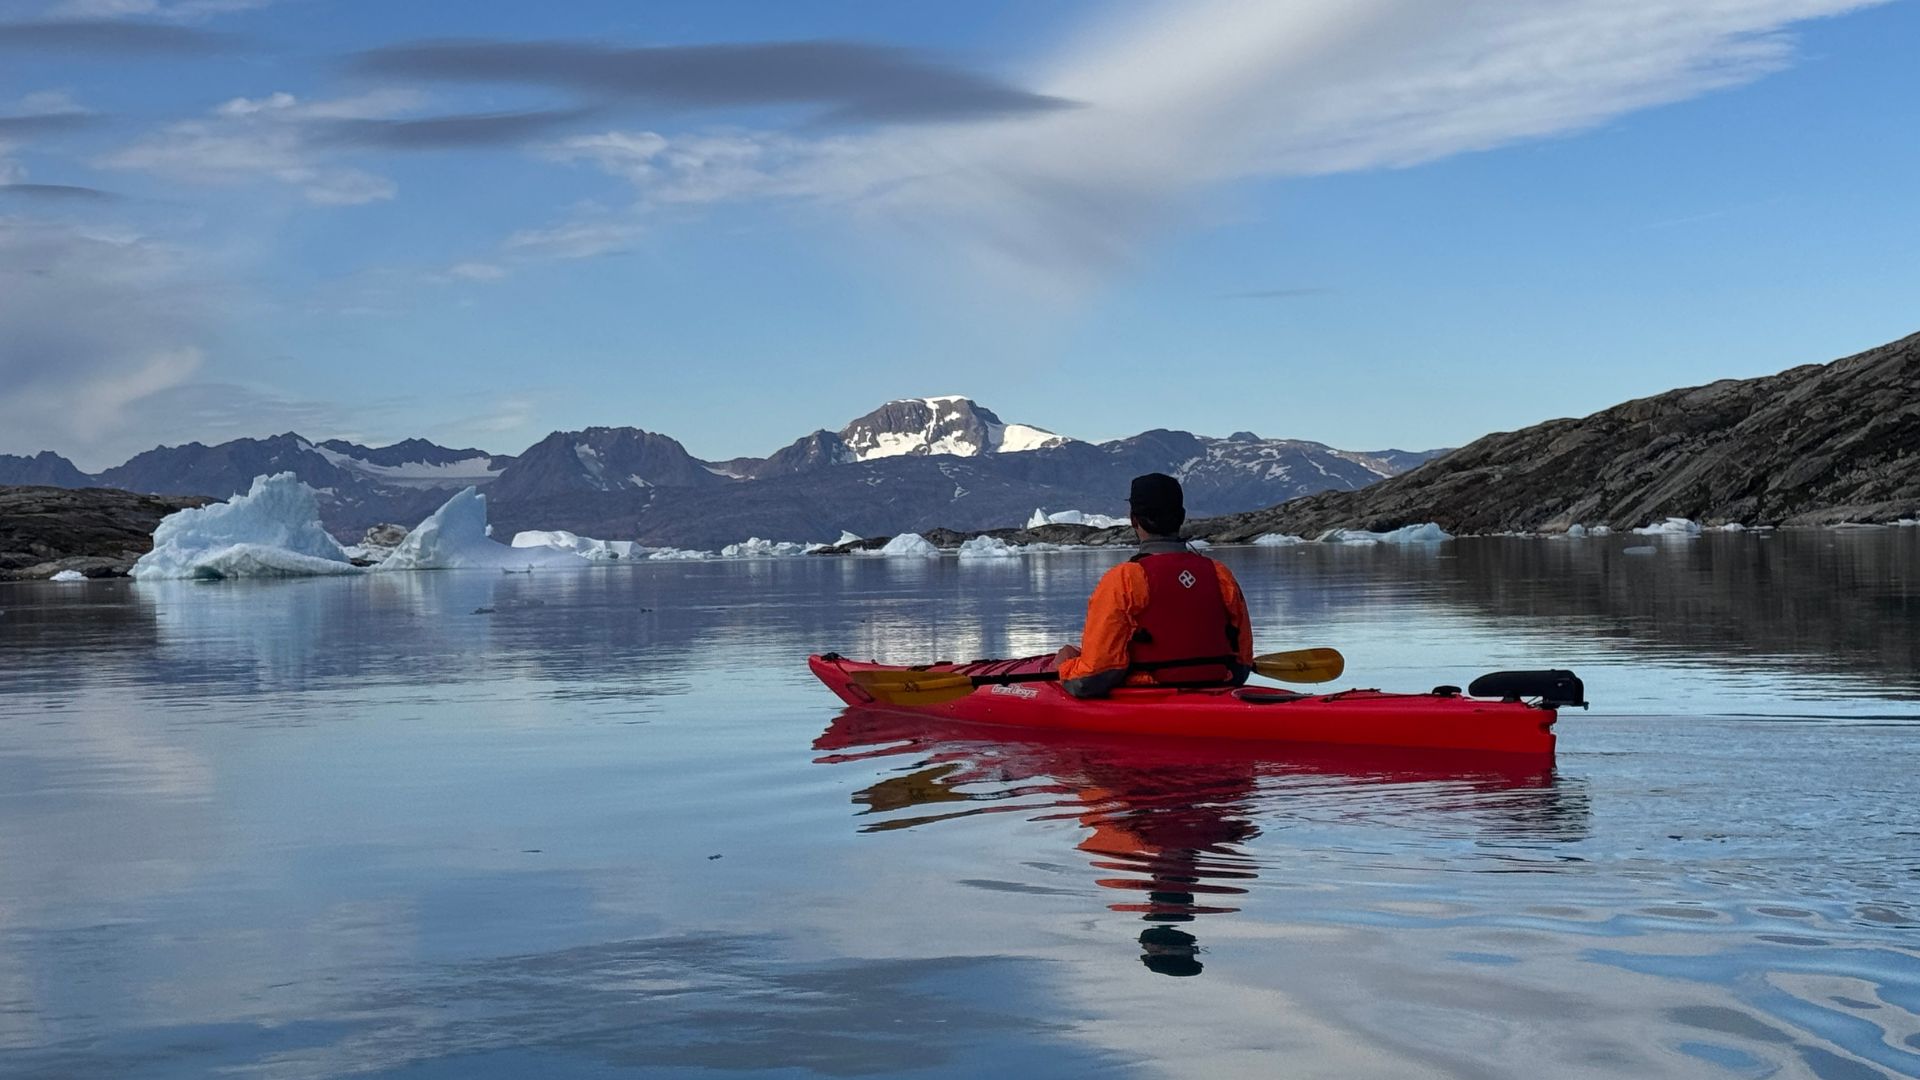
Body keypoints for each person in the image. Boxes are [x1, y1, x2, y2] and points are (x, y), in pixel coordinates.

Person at [1054, 473, 1253, 698]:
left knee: (1068, 656)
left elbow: (1092, 679)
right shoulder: (1220, 574)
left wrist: (1064, 667)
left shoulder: (1124, 580)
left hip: (1147, 696)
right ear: (1181, 517)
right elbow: (1242, 664)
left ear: (1133, 520)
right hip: (1217, 688)